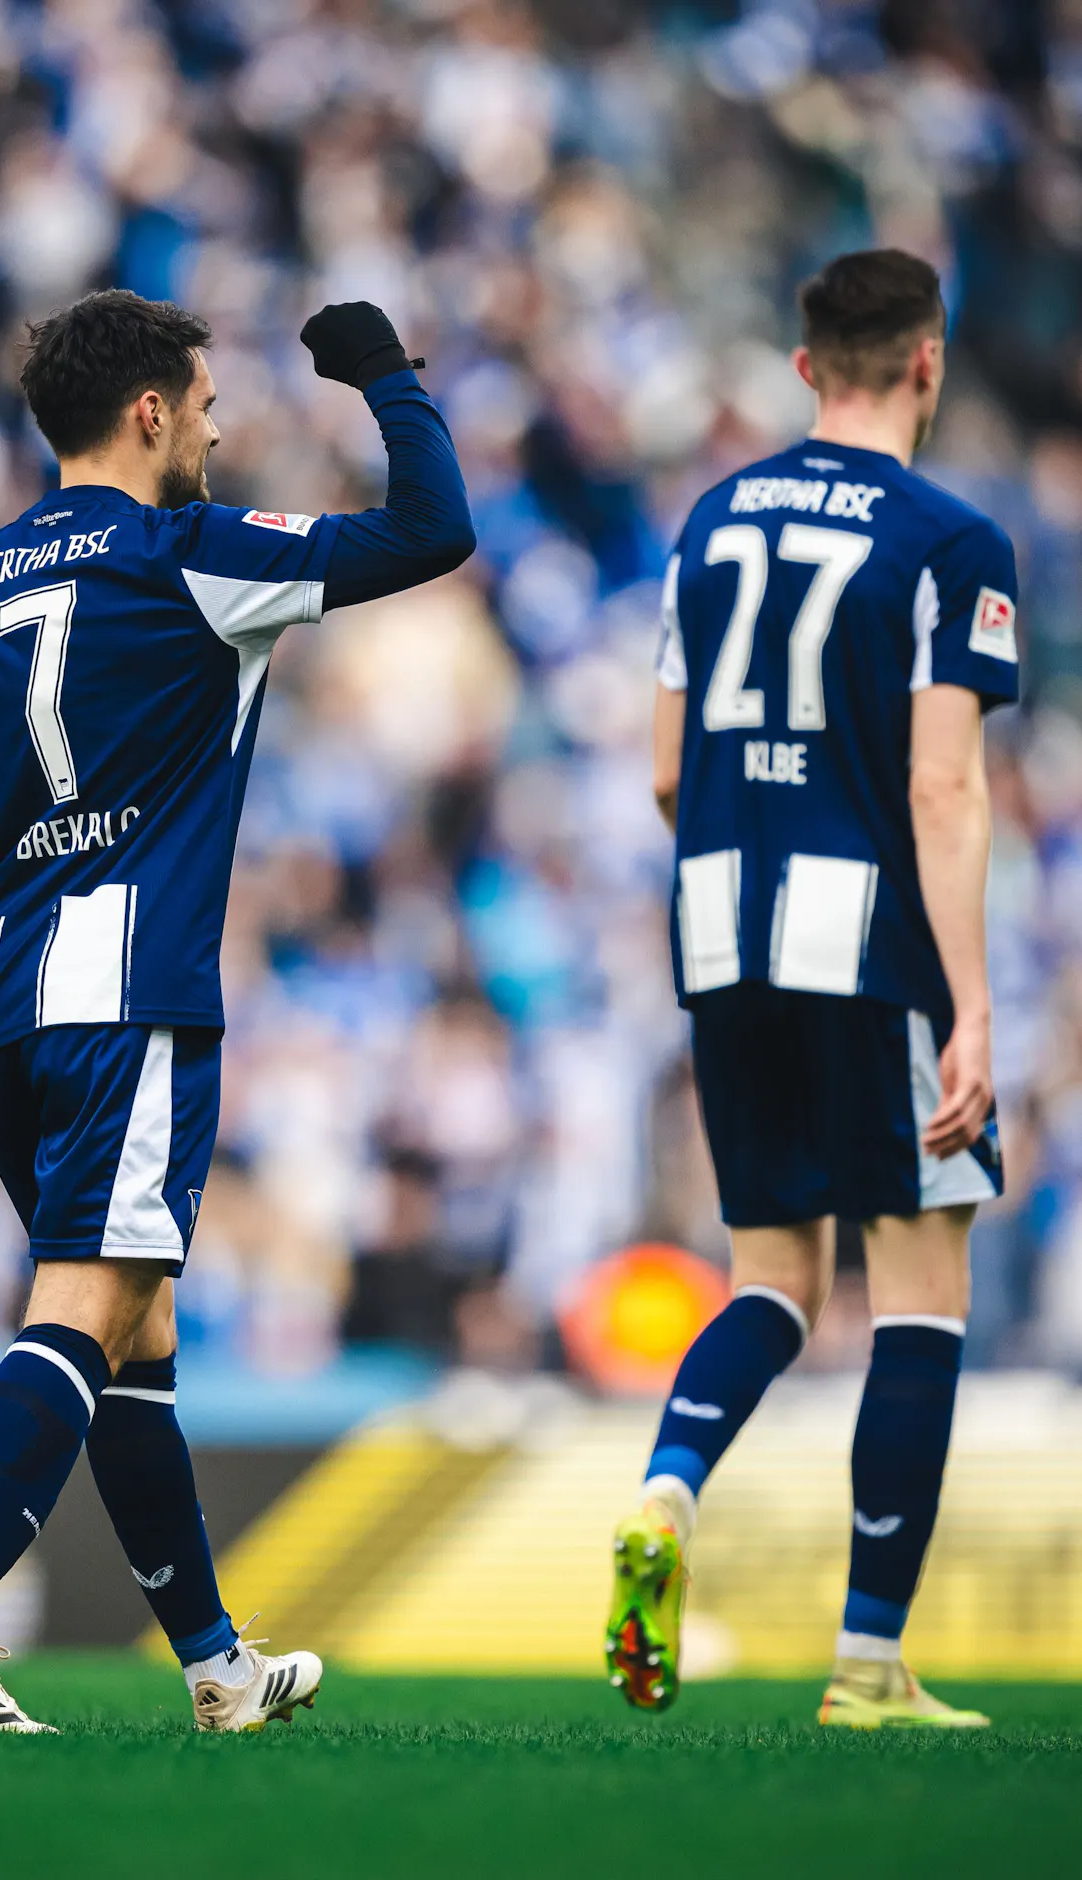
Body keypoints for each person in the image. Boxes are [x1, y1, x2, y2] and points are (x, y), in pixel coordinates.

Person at [0, 291, 474, 1730]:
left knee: (135, 1330)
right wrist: (389, 381)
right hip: (129, 986)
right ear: (148, 412)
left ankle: (214, 1667)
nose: (216, 421)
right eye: (202, 400)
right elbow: (432, 529)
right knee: (87, 1306)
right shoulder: (191, 553)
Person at [606, 250, 1015, 1728]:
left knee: (773, 1276)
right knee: (921, 1293)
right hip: (869, 946)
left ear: (801, 368)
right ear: (928, 363)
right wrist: (969, 1002)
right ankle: (867, 1664)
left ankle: (666, 1487)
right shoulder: (951, 539)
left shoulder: (711, 519)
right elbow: (943, 783)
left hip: (721, 930)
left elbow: (663, 768)